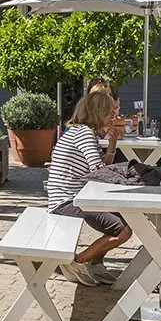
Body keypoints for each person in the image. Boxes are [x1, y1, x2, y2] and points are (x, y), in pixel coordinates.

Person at [45, 90, 131, 286]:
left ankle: (96, 264)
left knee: (125, 216)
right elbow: (98, 170)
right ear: (99, 112)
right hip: (67, 201)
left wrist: (112, 144)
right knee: (123, 230)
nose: (113, 116)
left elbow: (98, 165)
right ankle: (77, 261)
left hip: (70, 197)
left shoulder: (78, 131)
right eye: (110, 111)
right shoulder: (83, 133)